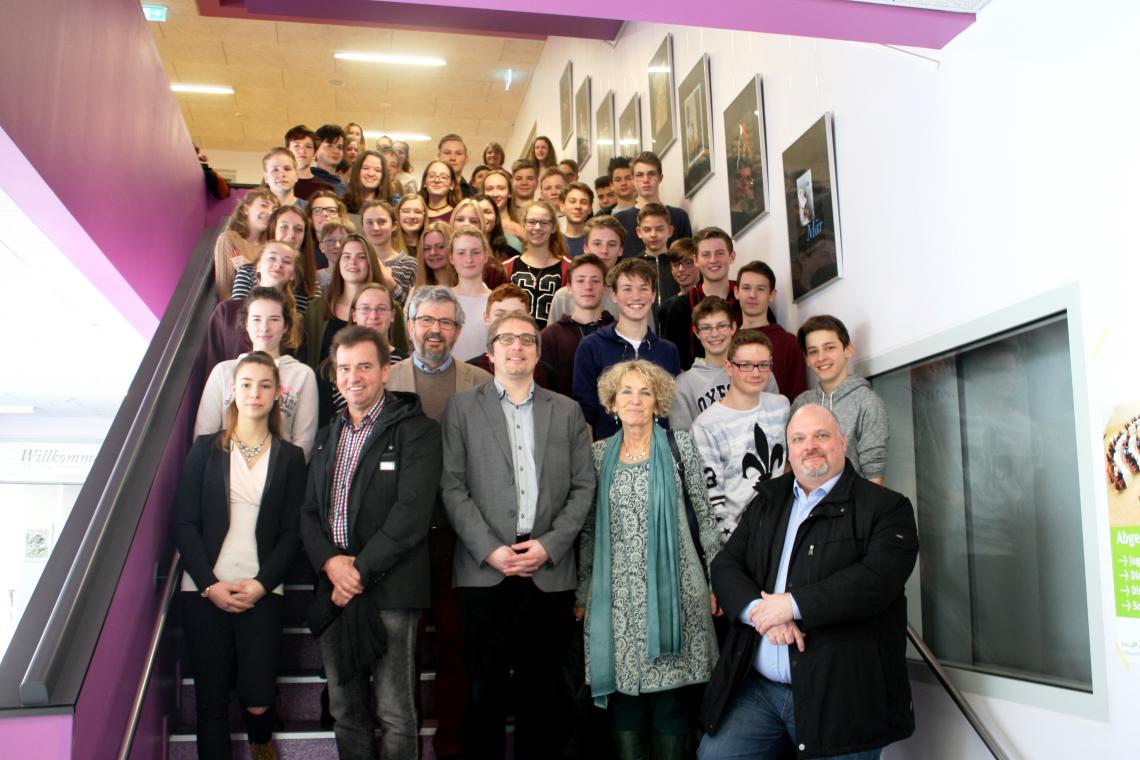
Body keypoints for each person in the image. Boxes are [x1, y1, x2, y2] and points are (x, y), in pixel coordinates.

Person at [697, 404, 919, 759]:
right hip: (761, 691)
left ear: (842, 441)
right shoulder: (767, 502)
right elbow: (726, 566)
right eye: (799, 438)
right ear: (789, 449)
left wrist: (792, 605)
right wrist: (762, 613)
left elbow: (876, 581)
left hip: (842, 697)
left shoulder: (887, 508)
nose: (810, 445)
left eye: (821, 435)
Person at [441, 309, 596, 760]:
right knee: (482, 690)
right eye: (506, 339)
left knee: (545, 695)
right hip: (484, 570)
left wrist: (549, 546)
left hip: (548, 570)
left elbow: (584, 486)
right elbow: (451, 485)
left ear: (538, 352)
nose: (517, 347)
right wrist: (490, 550)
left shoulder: (566, 411)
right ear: (490, 353)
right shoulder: (462, 408)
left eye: (527, 339)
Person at [300, 326, 442, 760]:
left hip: (391, 589)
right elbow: (308, 513)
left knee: (395, 710)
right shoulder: (329, 433)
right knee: (345, 709)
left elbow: (411, 518)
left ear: (385, 371)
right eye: (344, 368)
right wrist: (331, 566)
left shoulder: (418, 431)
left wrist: (355, 572)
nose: (353, 376)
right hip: (335, 591)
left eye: (364, 366)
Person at [578, 360, 720, 760]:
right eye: (626, 391)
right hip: (616, 598)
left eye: (645, 392)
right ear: (611, 402)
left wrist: (715, 581)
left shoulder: (682, 446)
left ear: (658, 401)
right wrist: (583, 592)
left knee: (673, 703)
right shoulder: (597, 455)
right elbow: (589, 530)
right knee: (625, 702)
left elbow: (705, 517)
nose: (635, 400)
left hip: (677, 591)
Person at [175, 351, 306, 760]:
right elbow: (184, 525)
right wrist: (210, 585)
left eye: (265, 385)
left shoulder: (290, 457)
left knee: (258, 696)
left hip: (263, 589)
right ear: (232, 391)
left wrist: (261, 584)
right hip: (203, 589)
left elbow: (291, 532)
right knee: (211, 701)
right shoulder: (204, 450)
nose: (255, 392)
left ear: (277, 394)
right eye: (246, 384)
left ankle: (261, 749)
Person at [385, 286, 491, 760]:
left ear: (459, 330)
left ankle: (451, 746)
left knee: (455, 645)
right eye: (427, 320)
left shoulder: (480, 381)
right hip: (400, 540)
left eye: (446, 323)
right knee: (398, 651)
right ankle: (401, 745)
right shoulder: (386, 380)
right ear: (409, 325)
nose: (435, 330)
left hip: (460, 537)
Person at [691, 331, 791, 543]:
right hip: (740, 539)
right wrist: (738, 548)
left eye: (763, 365)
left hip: (784, 529)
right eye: (745, 365)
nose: (755, 373)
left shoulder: (781, 407)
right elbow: (712, 500)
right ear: (728, 367)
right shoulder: (706, 425)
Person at [197, 287, 319, 460]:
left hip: (279, 475)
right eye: (256, 319)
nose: (264, 327)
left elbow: (303, 442)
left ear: (286, 326)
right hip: (224, 472)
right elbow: (204, 435)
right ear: (246, 324)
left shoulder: (302, 375)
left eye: (274, 319)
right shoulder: (222, 372)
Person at [573, 259, 680, 441]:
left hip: (658, 457)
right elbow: (585, 414)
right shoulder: (591, 347)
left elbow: (671, 411)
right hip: (608, 456)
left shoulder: (668, 351)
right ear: (614, 295)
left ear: (653, 295)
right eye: (627, 289)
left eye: (644, 288)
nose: (636, 296)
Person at [790, 315, 888, 484]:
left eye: (829, 348)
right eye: (813, 351)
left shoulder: (867, 402)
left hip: (851, 506)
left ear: (848, 350)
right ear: (807, 359)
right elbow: (791, 464)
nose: (821, 357)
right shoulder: (801, 404)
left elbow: (874, 474)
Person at [206, 241, 303, 374]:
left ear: (293, 275)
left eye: (286, 261)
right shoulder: (226, 312)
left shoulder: (295, 322)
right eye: (271, 258)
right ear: (258, 266)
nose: (278, 264)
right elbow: (211, 362)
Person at [661, 226, 742, 370]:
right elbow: (671, 361)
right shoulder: (680, 307)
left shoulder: (746, 298)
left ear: (732, 257)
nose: (713, 260)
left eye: (719, 253)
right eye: (706, 255)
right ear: (696, 260)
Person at [540, 253, 613, 396]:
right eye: (580, 281)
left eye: (595, 280)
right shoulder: (549, 337)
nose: (588, 287)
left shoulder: (618, 333)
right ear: (569, 288)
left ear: (605, 288)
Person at [737, 261, 808, 400]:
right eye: (746, 288)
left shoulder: (789, 342)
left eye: (761, 289)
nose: (752, 295)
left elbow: (799, 398)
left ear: (772, 294)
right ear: (736, 292)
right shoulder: (725, 340)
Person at [466, 284, 556, 390]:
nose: (508, 321)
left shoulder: (544, 373)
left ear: (529, 318)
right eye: (500, 315)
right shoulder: (470, 371)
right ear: (486, 318)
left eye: (517, 314)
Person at [232, 205, 318, 310]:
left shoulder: (311, 282)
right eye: (284, 227)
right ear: (273, 230)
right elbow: (236, 317)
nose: (291, 235)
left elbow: (312, 324)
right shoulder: (247, 272)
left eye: (298, 229)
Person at [503, 199, 572, 328]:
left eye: (544, 222)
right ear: (523, 225)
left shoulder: (569, 268)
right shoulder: (507, 267)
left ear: (554, 227)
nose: (537, 227)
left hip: (553, 343)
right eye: (531, 222)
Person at [670, 296, 735, 432]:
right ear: (696, 332)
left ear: (733, 327)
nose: (715, 334)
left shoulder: (754, 371)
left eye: (722, 326)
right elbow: (682, 439)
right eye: (706, 328)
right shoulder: (684, 384)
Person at [614, 152, 693, 258]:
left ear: (660, 177)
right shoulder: (619, 219)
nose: (646, 180)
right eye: (640, 175)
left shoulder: (679, 216)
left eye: (651, 174)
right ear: (633, 180)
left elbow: (687, 257)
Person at [213, 188, 278, 300]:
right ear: (246, 209)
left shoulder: (273, 247)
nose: (270, 212)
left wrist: (250, 267)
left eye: (274, 209)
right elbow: (224, 293)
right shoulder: (229, 239)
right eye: (264, 205)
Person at [449, 225, 495, 362]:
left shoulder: (496, 301)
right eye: (461, 253)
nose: (469, 259)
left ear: (485, 256)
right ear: (451, 258)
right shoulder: (442, 299)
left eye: (475, 252)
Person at [360, 199, 417, 305]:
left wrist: (391, 285)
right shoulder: (356, 262)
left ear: (394, 225)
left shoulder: (410, 264)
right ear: (363, 227)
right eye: (369, 222)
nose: (375, 227)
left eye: (382, 221)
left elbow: (413, 310)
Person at [631, 203, 679, 305]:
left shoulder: (679, 263)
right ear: (639, 232)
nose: (653, 235)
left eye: (659, 229)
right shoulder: (632, 266)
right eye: (647, 230)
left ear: (670, 231)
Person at [285, 125, 333, 200]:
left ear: (315, 154)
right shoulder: (276, 183)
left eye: (308, 146)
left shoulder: (325, 189)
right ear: (287, 151)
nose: (302, 151)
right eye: (297, 146)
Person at [481, 168, 526, 247]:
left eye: (501, 188)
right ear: (483, 193)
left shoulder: (521, 228)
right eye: (489, 189)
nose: (495, 194)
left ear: (510, 193)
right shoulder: (476, 225)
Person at [409, 221, 455, 292]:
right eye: (427, 248)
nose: (433, 253)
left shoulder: (467, 289)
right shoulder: (415, 291)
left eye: (440, 247)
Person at [344, 149, 394, 214]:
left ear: (383, 175)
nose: (371, 174)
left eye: (377, 170)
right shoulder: (343, 205)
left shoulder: (392, 207)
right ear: (357, 171)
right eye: (366, 168)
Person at [420, 159, 461, 224]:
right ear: (424, 182)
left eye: (443, 177)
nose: (437, 180)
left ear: (452, 184)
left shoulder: (459, 214)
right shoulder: (417, 213)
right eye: (432, 176)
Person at [311, 124, 347, 196]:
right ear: (315, 151)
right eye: (329, 146)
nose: (335, 151)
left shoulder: (344, 189)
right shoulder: (306, 183)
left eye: (339, 147)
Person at [561, 181, 594, 257]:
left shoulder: (597, 241)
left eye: (583, 202)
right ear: (562, 205)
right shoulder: (554, 242)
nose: (578, 206)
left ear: (590, 208)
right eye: (572, 201)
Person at [438, 133, 476, 198]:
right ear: (438, 157)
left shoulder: (476, 195)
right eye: (447, 153)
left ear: (466, 159)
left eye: (458, 153)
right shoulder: (423, 196)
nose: (452, 158)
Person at [395, 194, 426, 262]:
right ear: (398, 214)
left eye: (418, 212)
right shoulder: (388, 244)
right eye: (406, 211)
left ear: (424, 216)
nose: (412, 216)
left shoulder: (430, 245)